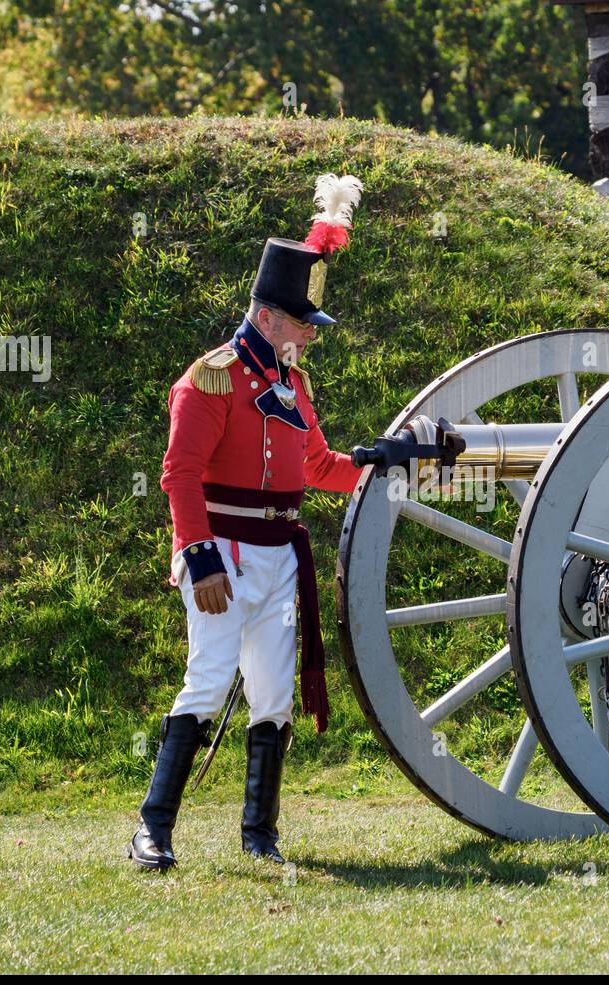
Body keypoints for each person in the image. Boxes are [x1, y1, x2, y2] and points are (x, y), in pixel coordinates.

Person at [128, 174, 365, 870]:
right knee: (205, 683)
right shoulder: (210, 377)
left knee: (272, 698)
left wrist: (374, 466)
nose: (307, 339)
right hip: (221, 553)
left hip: (278, 556)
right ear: (266, 318)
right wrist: (197, 557)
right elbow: (178, 475)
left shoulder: (293, 385)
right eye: (300, 325)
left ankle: (259, 834)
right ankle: (153, 828)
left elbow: (318, 467)